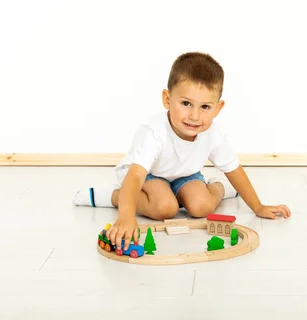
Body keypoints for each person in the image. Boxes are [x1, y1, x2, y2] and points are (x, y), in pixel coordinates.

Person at [72, 52, 290, 250]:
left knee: (201, 207)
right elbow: (136, 174)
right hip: (147, 176)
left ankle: (219, 188)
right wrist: (127, 216)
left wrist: (258, 207)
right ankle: (110, 196)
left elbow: (234, 169)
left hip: (185, 174)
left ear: (218, 108)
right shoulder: (154, 132)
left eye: (205, 107)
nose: (194, 116)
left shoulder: (212, 133)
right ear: (167, 100)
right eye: (186, 103)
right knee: (165, 207)